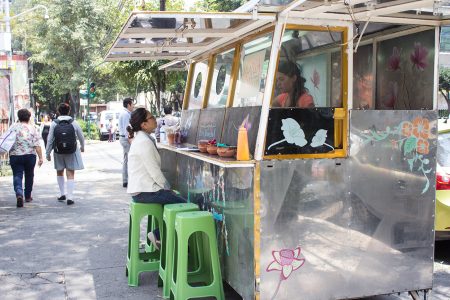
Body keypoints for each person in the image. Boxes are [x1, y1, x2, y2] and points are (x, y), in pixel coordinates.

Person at [126, 107, 186, 249]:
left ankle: (167, 240)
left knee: (173, 206)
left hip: (143, 189)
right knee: (186, 207)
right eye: (152, 118)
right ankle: (158, 235)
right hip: (146, 191)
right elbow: (153, 170)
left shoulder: (144, 139)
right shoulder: (144, 142)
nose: (155, 120)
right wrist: (167, 187)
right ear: (143, 124)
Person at [45, 103, 85, 205]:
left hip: (58, 150)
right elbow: (81, 136)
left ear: (58, 111)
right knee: (70, 172)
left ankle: (62, 193)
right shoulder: (73, 122)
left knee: (59, 171)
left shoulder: (54, 123)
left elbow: (49, 139)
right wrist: (82, 146)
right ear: (69, 111)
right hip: (72, 150)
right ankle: (70, 197)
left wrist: (48, 153)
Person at [9, 108, 44, 207]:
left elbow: (7, 141)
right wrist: (41, 157)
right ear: (29, 118)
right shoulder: (32, 128)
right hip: (30, 156)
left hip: (15, 155)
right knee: (29, 175)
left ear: (19, 117)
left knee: (17, 175)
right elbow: (37, 144)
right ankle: (28, 196)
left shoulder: (13, 128)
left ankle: (19, 194)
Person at [118, 97, 135, 188]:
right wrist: (131, 141)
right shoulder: (125, 114)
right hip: (126, 139)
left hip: (124, 139)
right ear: (128, 104)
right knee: (129, 160)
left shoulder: (126, 113)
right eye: (132, 104)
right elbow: (127, 130)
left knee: (127, 159)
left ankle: (126, 180)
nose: (133, 106)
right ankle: (127, 180)